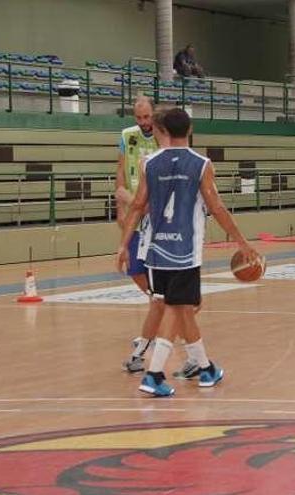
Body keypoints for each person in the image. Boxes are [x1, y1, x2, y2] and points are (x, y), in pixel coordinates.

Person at [117, 107, 259, 397]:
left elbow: (137, 206)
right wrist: (241, 241)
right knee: (175, 307)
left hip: (156, 249)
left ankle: (205, 368)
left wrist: (123, 243)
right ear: (190, 129)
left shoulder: (149, 163)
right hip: (184, 250)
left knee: (182, 309)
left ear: (164, 130)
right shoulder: (202, 164)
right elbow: (216, 208)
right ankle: (154, 374)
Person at [116, 97, 164, 373]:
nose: (144, 123)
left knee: (158, 274)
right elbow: (119, 176)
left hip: (157, 217)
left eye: (147, 117)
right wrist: (122, 206)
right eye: (139, 118)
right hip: (135, 215)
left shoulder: (163, 135)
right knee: (134, 269)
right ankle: (158, 310)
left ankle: (156, 326)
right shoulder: (126, 137)